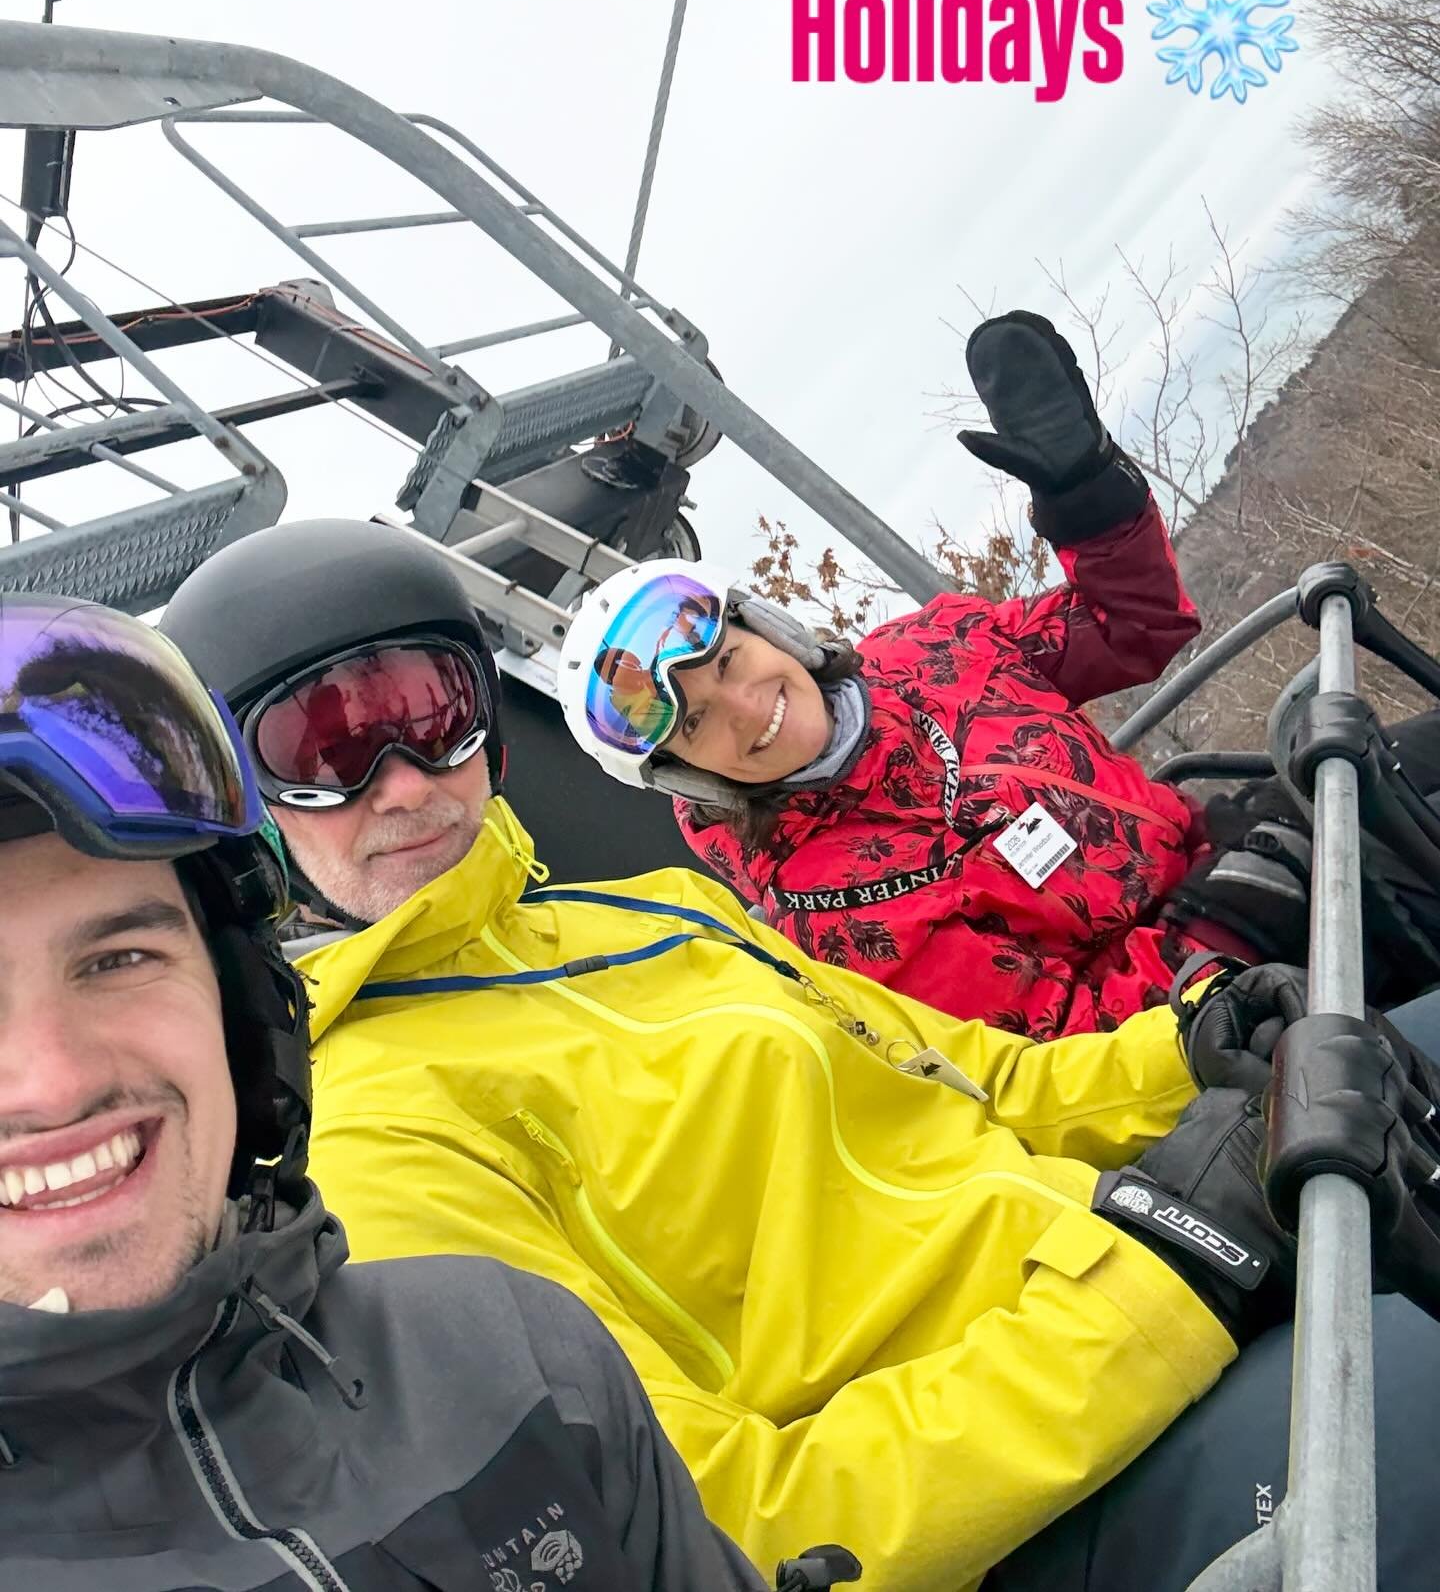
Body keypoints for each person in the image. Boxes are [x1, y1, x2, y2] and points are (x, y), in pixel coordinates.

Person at [160, 518, 1440, 1588]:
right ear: (247, 813)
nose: (401, 781)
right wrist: (1166, 1276)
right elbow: (707, 1521)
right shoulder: (379, 1134)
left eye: (427, 712)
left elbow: (981, 1080)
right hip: (1045, 1489)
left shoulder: (655, 916)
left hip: (1126, 1267)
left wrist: (1195, 1046)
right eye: (323, 750)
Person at [0, 593, 784, 1591]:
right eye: (331, 752)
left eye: (119, 959)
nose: (55, 1077)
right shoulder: (395, 1143)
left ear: (241, 1007)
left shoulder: (505, 1348)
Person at [558, 310, 1215, 1037]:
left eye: (728, 661)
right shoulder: (837, 923)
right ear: (688, 777)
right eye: (696, 723)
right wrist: (1217, 932)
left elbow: (1134, 624)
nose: (745, 706)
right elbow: (1062, 1044)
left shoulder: (934, 647)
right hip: (1217, 1021)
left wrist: (1086, 494)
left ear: (767, 628)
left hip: (1228, 861)